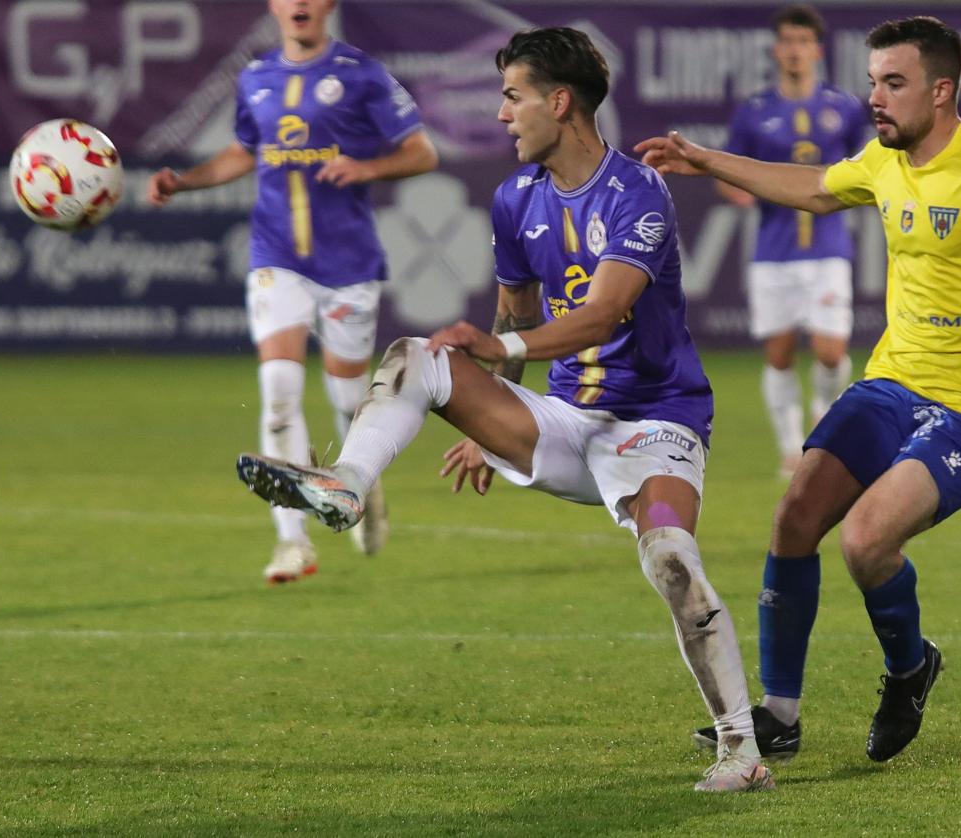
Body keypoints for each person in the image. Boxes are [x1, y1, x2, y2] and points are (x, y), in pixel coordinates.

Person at [236, 27, 775, 793]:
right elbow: (514, 326)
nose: (501, 115)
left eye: (513, 96)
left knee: (671, 561)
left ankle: (742, 752)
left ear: (560, 103)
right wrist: (488, 417)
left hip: (656, 425)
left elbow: (602, 317)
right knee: (416, 358)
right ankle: (348, 485)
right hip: (563, 421)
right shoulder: (513, 199)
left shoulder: (637, 192)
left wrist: (501, 363)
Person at [637, 16, 961, 762]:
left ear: (941, 89)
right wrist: (709, 161)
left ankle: (908, 667)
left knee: (865, 541)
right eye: (872, 83)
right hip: (895, 382)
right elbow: (817, 190)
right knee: (795, 515)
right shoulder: (884, 162)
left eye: (893, 83)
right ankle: (780, 715)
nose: (876, 99)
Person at [148, 0, 438, 583]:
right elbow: (242, 152)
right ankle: (292, 543)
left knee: (346, 398)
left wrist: (366, 168)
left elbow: (421, 152)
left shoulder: (362, 74)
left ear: (327, 4)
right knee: (279, 389)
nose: (299, 3)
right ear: (274, 6)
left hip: (348, 263)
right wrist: (183, 181)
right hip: (276, 257)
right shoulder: (256, 78)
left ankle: (362, 483)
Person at [719, 5, 870, 478]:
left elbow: (868, 162)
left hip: (828, 248)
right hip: (773, 252)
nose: (795, 50)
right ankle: (790, 448)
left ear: (817, 50)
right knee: (779, 355)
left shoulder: (843, 107)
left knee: (829, 352)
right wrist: (736, 192)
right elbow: (728, 170)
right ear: (776, 49)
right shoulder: (755, 112)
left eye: (803, 41)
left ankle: (822, 416)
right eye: (787, 41)